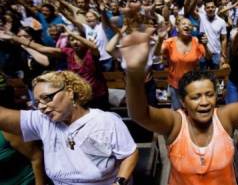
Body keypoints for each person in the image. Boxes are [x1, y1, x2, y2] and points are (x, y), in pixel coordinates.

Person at [120, 21, 238, 185]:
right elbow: (140, 114)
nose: (204, 102)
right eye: (195, 97)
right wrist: (134, 73)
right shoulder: (176, 123)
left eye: (209, 95)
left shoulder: (225, 117)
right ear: (183, 101)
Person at [0, 71, 138, 185]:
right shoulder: (43, 120)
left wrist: (119, 182)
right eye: (37, 103)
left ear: (69, 92)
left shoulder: (105, 121)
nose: (41, 106)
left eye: (46, 98)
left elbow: (129, 154)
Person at [0, 27, 109, 109]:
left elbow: (94, 46)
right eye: (71, 39)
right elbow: (42, 48)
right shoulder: (68, 52)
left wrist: (70, 32)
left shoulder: (91, 52)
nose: (75, 42)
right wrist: (14, 37)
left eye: (77, 39)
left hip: (98, 95)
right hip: (79, 96)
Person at [154, 18, 208, 110]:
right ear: (177, 28)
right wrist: (160, 39)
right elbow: (157, 54)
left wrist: (206, 45)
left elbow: (207, 57)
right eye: (183, 24)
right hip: (175, 85)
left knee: (192, 110)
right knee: (178, 112)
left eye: (189, 25)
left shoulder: (196, 41)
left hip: (192, 85)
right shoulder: (169, 42)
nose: (187, 26)